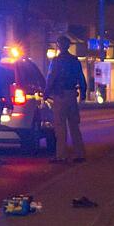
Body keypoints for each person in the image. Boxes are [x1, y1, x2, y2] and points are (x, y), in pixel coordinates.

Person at [45, 35, 87, 163]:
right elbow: (81, 77)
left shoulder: (56, 61)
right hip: (71, 94)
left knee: (60, 126)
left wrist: (46, 93)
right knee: (74, 125)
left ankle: (61, 155)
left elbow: (51, 78)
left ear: (59, 46)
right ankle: (79, 154)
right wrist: (83, 91)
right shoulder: (75, 61)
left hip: (60, 95)